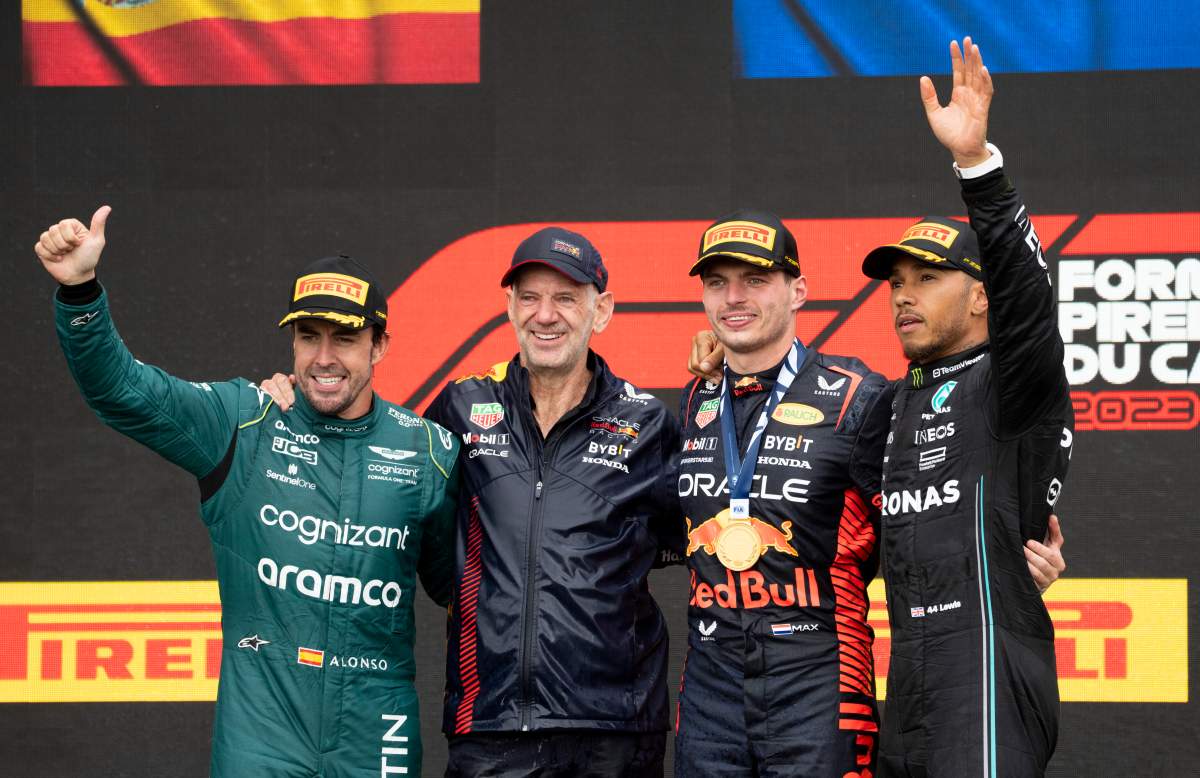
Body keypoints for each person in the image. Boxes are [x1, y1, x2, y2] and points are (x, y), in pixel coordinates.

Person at [36, 208, 460, 778]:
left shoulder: (429, 452)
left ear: (380, 345)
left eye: (346, 338)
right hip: (262, 735)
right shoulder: (242, 422)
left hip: (376, 730)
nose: (324, 358)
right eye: (308, 337)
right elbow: (120, 389)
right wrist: (80, 293)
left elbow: (466, 588)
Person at [262, 227, 680, 776]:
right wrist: (299, 408)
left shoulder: (647, 424)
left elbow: (710, 542)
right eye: (529, 297)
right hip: (491, 725)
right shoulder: (462, 407)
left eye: (565, 298)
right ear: (509, 306)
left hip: (614, 732)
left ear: (600, 310)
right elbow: (372, 453)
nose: (545, 315)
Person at [859, 38, 1073, 777]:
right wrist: (725, 364)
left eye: (928, 277)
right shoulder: (891, 403)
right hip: (911, 681)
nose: (904, 294)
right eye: (895, 282)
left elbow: (1028, 299)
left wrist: (977, 166)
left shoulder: (1012, 380)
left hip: (987, 672)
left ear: (981, 296)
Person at [673, 209, 892, 776]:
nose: (733, 298)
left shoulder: (856, 397)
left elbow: (919, 525)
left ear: (798, 291)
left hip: (817, 678)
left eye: (755, 280)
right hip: (710, 686)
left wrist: (1009, 563)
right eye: (717, 282)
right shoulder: (697, 399)